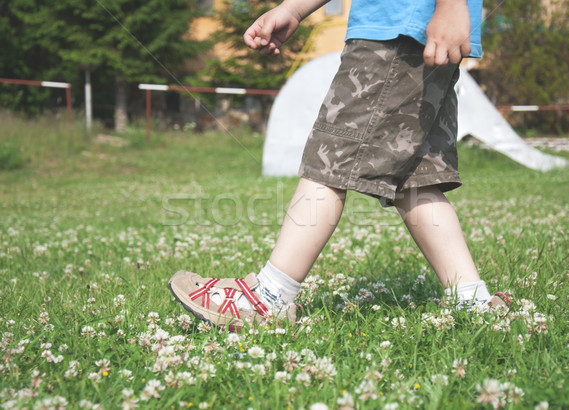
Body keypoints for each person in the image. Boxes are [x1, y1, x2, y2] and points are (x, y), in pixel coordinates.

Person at [169, 0, 511, 329]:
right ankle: (473, 301)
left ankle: (269, 297)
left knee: (329, 160)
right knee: (417, 178)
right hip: (418, 30)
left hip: (398, 30)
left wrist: (450, 6)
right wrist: (293, 8)